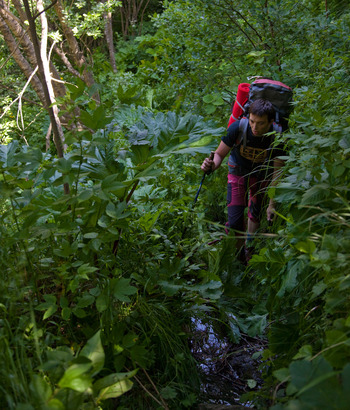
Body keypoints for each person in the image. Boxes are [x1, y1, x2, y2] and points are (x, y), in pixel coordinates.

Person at [201, 99, 286, 264]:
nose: (255, 127)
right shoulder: (238, 127)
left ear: (271, 122)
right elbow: (219, 155)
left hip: (262, 174)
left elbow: (278, 172)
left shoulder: (277, 137)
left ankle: (249, 249)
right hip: (238, 171)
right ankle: (239, 257)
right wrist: (211, 166)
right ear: (248, 117)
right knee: (234, 220)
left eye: (261, 123)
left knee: (255, 213)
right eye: (252, 121)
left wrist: (272, 204)